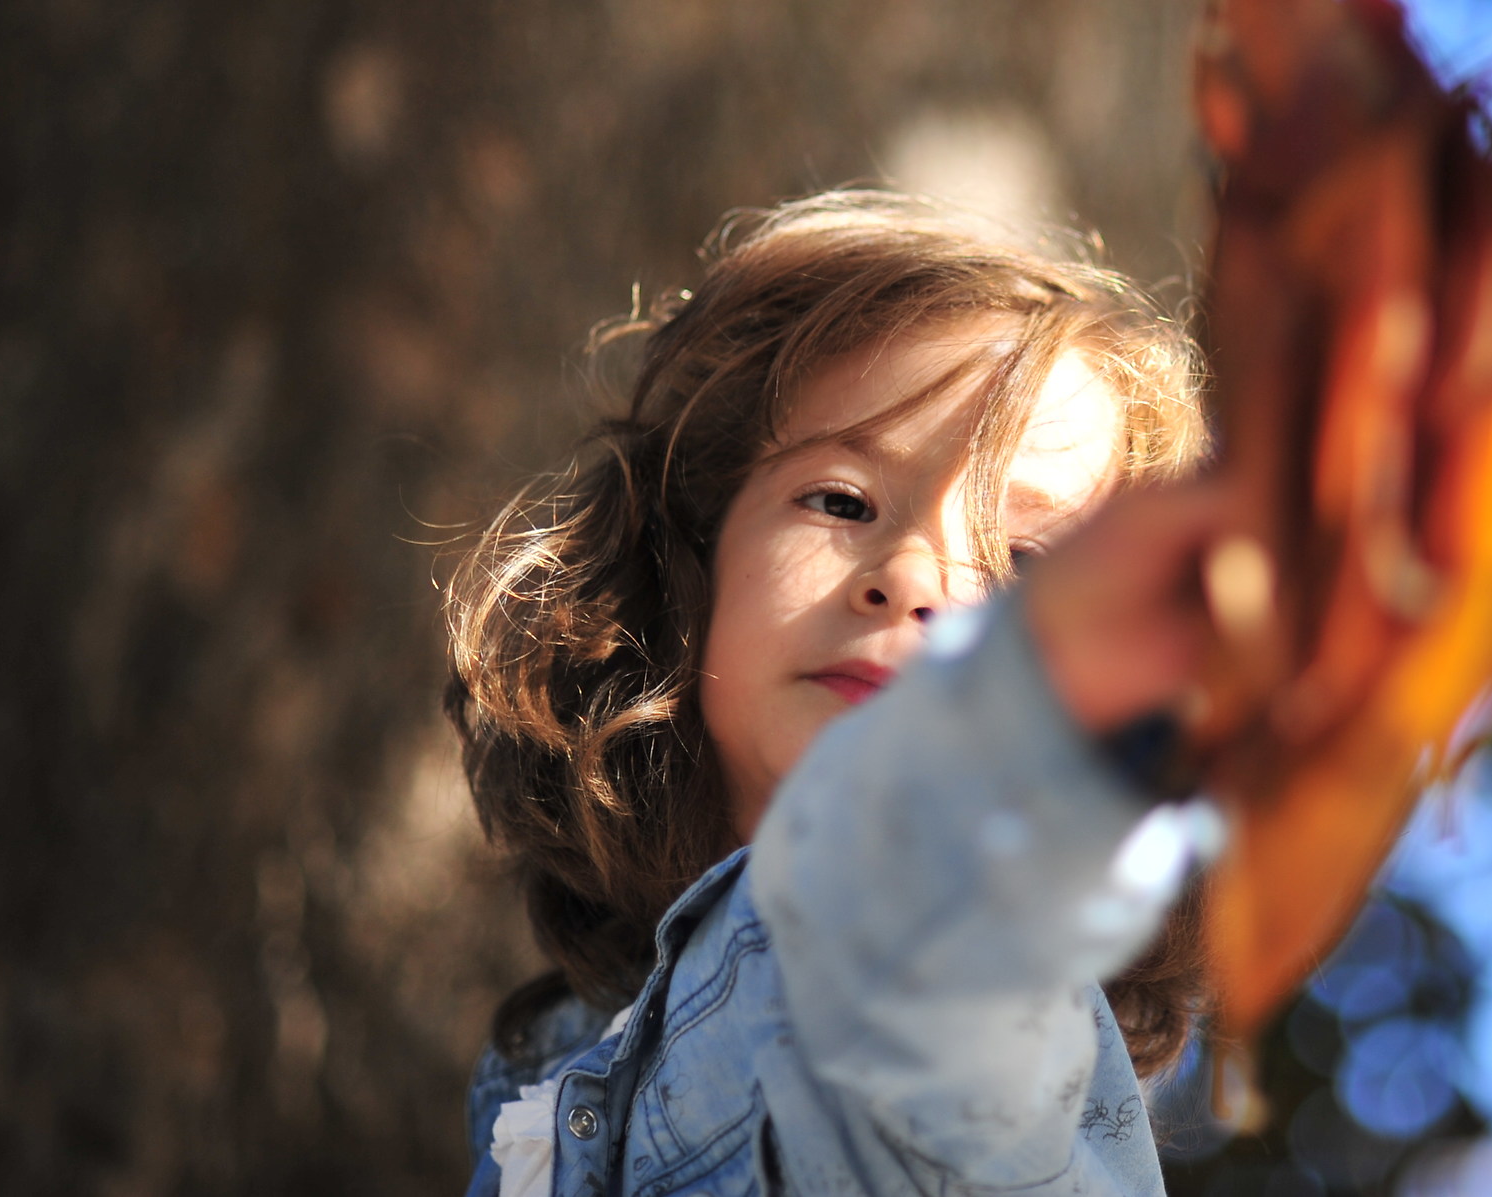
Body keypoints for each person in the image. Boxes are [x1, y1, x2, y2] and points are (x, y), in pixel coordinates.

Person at [444, 191, 1228, 1197]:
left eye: (1027, 561)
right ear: (693, 561)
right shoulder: (547, 1065)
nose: (913, 577)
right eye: (842, 500)